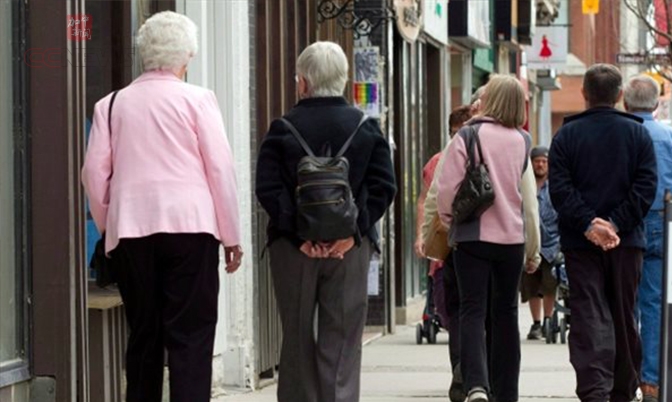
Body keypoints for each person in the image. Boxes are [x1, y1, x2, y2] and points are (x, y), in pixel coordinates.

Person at [81, 11, 243, 402]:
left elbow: (92, 173)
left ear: (144, 55)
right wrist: (231, 236)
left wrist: (109, 227)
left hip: (132, 232)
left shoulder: (112, 104)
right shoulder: (198, 99)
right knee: (192, 337)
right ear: (186, 57)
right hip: (192, 228)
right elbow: (220, 169)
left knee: (144, 335)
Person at [255, 41, 397, 402]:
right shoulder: (366, 127)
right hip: (350, 250)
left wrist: (297, 235)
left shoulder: (283, 128)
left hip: (293, 250)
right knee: (344, 339)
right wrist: (354, 232)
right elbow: (383, 186)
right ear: (344, 81)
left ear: (303, 82)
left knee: (297, 334)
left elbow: (268, 188)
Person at [548, 64, 657, 402]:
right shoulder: (638, 134)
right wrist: (616, 224)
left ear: (584, 93)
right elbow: (646, 186)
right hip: (627, 243)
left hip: (581, 244)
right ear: (619, 96)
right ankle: (622, 390)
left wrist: (589, 225)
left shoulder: (566, 136)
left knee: (588, 314)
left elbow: (560, 190)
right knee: (624, 316)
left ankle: (595, 390)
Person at [436, 74, 541, 402]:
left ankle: (476, 385)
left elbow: (447, 188)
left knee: (471, 310)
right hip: (511, 240)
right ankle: (507, 390)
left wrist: (449, 221)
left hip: (473, 237)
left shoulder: (468, 135)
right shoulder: (523, 141)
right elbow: (526, 197)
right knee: (506, 314)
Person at [623, 74, 672, 402]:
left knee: (625, 302)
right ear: (656, 104)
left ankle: (626, 377)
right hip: (661, 220)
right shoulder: (667, 137)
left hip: (626, 221)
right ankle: (651, 380)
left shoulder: (621, 135)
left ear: (625, 103)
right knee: (653, 302)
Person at [415, 105, 473, 330]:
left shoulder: (484, 156)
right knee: (447, 309)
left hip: (475, 245)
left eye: (462, 132)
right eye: (453, 133)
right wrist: (421, 235)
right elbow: (424, 199)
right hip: (444, 246)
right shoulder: (436, 162)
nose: (457, 138)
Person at [521, 146, 561, 340]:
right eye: (537, 161)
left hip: (552, 243)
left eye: (544, 161)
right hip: (529, 241)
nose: (540, 164)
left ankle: (548, 319)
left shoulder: (555, 186)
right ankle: (536, 323)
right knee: (531, 284)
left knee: (550, 283)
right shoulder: (524, 183)